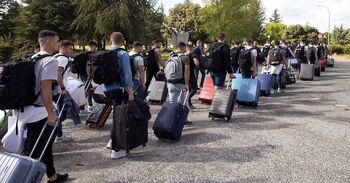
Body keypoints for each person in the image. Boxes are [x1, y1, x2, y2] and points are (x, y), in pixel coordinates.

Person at [19, 30, 69, 182]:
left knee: (45, 143)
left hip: (27, 108)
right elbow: (45, 87)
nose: (58, 44)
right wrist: (51, 112)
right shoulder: (51, 61)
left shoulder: (33, 57)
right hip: (40, 111)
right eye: (56, 41)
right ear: (48, 42)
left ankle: (52, 176)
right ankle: (22, 178)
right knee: (33, 151)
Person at [103, 32, 134, 159]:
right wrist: (130, 91)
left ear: (110, 41)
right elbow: (127, 74)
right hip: (118, 89)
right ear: (123, 41)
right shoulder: (122, 54)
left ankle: (112, 141)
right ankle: (116, 150)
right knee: (119, 118)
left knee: (115, 115)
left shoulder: (106, 54)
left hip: (106, 89)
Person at [53, 40, 77, 143]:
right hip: (59, 90)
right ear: (62, 48)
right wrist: (62, 88)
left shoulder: (55, 57)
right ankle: (57, 134)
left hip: (54, 89)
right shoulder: (63, 59)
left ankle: (58, 133)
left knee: (60, 111)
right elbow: (58, 74)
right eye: (69, 48)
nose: (71, 51)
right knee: (62, 113)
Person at [186, 42, 200, 109]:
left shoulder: (184, 55)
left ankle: (189, 103)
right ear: (192, 48)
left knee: (187, 90)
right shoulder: (193, 55)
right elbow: (196, 63)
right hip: (190, 74)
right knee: (194, 90)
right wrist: (197, 63)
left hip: (183, 75)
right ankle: (187, 100)